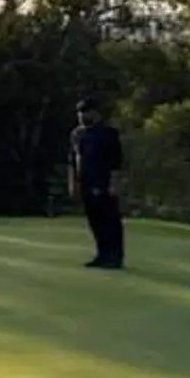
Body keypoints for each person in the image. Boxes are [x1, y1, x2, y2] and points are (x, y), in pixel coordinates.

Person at [70, 97, 125, 269]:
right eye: (80, 113)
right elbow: (75, 159)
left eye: (85, 112)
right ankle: (102, 254)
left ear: (94, 113)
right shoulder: (78, 134)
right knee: (95, 221)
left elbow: (116, 161)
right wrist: (74, 182)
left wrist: (113, 184)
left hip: (103, 182)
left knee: (110, 220)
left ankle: (115, 256)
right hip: (86, 182)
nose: (81, 116)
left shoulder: (108, 133)